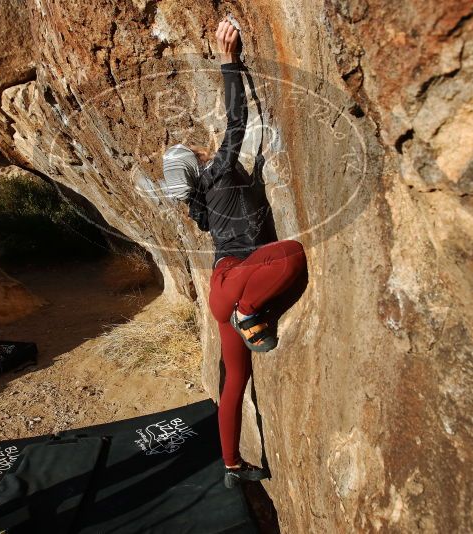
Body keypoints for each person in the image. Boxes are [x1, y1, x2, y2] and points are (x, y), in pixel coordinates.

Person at [161, 17, 307, 488]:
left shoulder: (199, 201)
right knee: (292, 254)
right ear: (199, 163)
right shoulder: (219, 172)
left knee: (234, 381)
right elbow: (238, 122)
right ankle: (251, 312)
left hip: (221, 286)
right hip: (238, 286)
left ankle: (231, 465)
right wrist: (230, 61)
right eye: (194, 150)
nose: (202, 147)